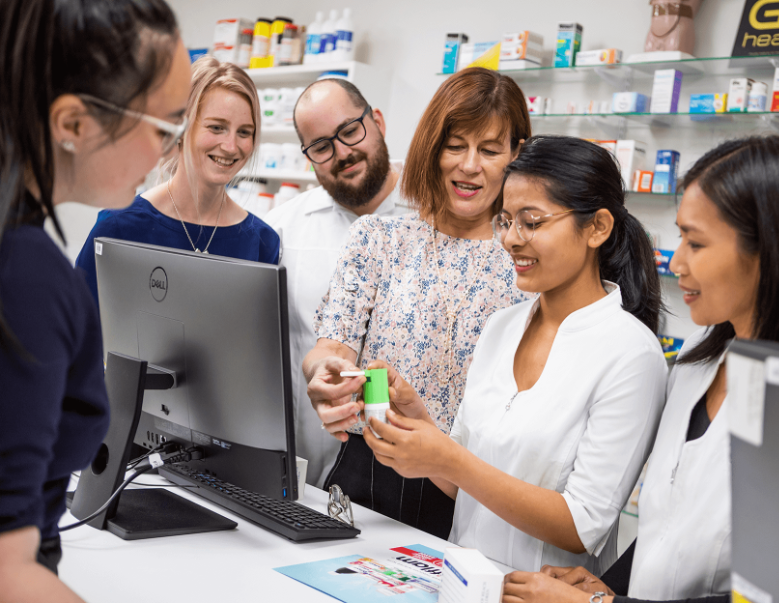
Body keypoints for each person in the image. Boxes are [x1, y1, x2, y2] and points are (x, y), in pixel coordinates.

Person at [501, 135, 779, 603]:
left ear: (769, 250)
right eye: (680, 236)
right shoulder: (696, 367)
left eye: (697, 242)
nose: (676, 261)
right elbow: (667, 530)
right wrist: (608, 585)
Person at [362, 136, 668, 574]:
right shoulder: (501, 327)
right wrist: (421, 427)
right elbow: (464, 485)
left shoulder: (632, 355)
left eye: (533, 222)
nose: (511, 240)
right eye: (505, 221)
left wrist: (451, 459)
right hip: (458, 582)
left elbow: (583, 527)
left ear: (597, 228)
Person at [0, 0, 191, 600]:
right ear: (74, 123)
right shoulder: (25, 273)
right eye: (164, 126)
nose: (168, 153)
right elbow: (7, 570)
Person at [303, 67, 533, 538]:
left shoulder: (528, 264)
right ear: (432, 147)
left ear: (517, 156)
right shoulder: (380, 239)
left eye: (489, 150)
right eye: (455, 145)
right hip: (366, 479)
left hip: (471, 495)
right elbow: (333, 347)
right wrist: (325, 375)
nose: (469, 166)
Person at [264, 79, 409, 487]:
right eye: (322, 146)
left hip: (405, 478)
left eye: (350, 131)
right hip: (309, 466)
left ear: (377, 121)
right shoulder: (281, 231)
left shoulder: (437, 217)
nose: (343, 152)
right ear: (308, 157)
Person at [75, 55, 279, 303]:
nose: (231, 146)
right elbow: (77, 332)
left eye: (244, 132)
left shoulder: (261, 242)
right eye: (216, 127)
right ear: (180, 129)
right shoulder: (120, 226)